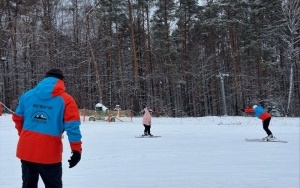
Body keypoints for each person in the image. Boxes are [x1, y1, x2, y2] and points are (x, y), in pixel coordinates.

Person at [12, 68, 82, 188]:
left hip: (27, 149)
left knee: (28, 185)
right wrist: (76, 150)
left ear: (45, 79)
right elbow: (72, 126)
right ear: (61, 81)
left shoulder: (27, 95)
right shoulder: (67, 100)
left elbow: (17, 118)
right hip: (49, 153)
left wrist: (24, 135)